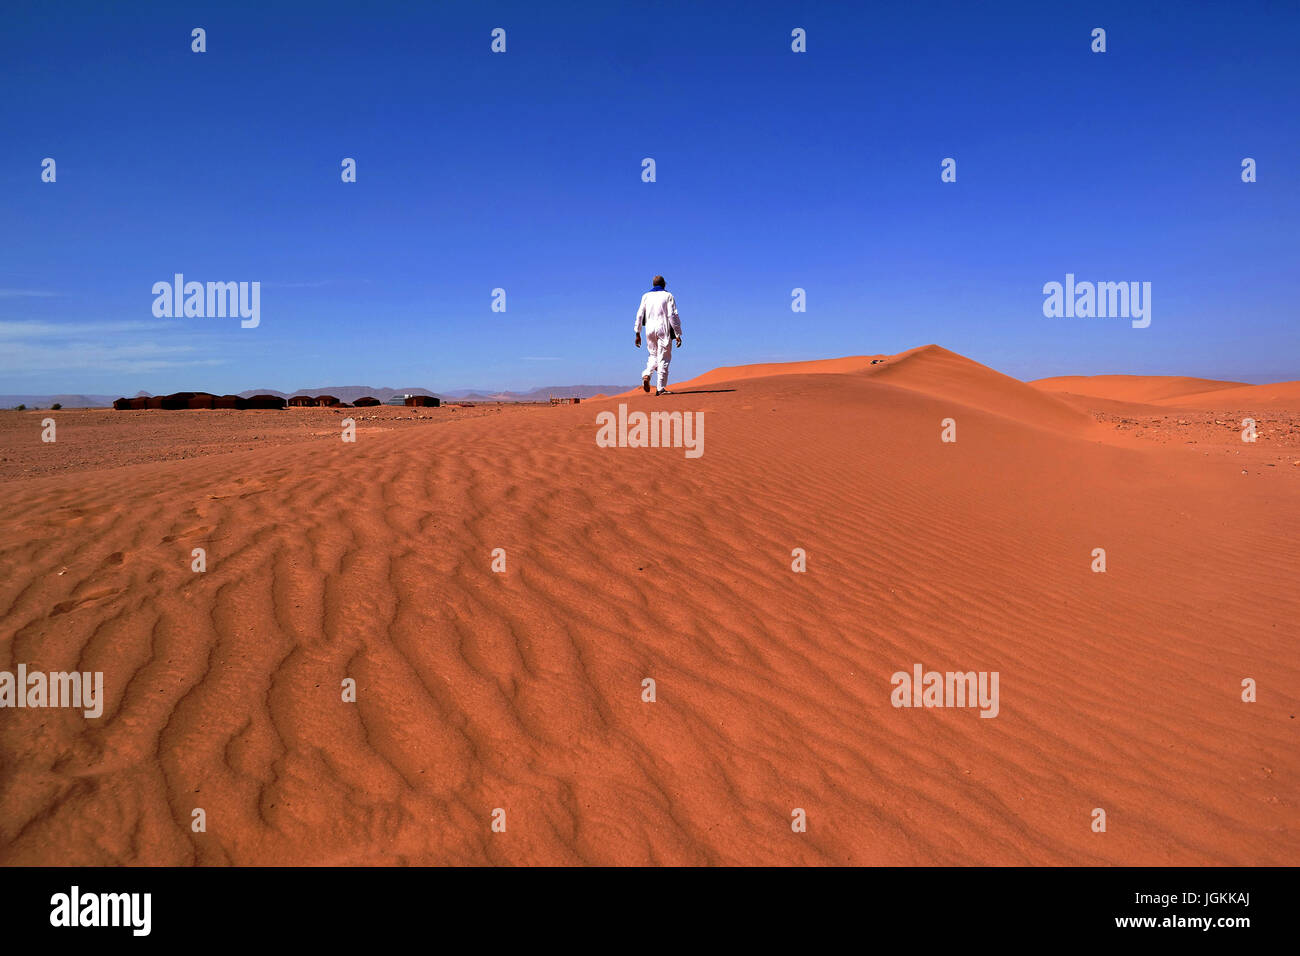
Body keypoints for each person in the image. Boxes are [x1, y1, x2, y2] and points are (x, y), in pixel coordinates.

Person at [635, 275, 683, 395]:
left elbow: (640, 314)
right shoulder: (668, 296)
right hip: (663, 328)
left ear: (653, 284)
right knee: (664, 357)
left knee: (652, 355)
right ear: (664, 284)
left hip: (649, 329)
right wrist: (677, 333)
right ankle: (660, 388)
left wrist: (637, 332)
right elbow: (673, 315)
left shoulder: (645, 296)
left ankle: (646, 373)